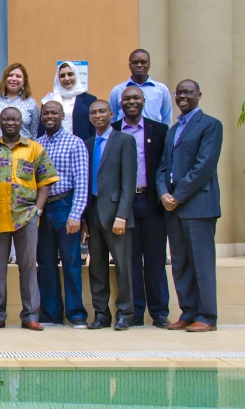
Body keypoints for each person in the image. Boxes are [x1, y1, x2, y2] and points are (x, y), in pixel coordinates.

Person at [0, 107, 58, 331]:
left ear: (21, 121)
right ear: (0, 121)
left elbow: (45, 181)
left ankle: (31, 315)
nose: (10, 123)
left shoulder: (34, 149)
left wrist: (38, 211)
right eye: (6, 119)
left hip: (27, 216)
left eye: (14, 119)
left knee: (28, 267)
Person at [157, 80, 222, 332]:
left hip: (198, 206)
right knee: (181, 262)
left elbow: (204, 166)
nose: (182, 96)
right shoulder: (173, 131)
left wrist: (178, 195)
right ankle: (188, 312)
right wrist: (163, 193)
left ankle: (207, 316)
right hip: (172, 206)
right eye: (179, 93)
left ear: (199, 95)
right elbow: (163, 167)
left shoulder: (210, 125)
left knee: (201, 263)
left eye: (188, 92)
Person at [112, 87, 171, 328]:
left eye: (136, 98)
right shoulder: (113, 130)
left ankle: (159, 312)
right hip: (125, 204)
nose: (131, 102)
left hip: (152, 200)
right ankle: (134, 311)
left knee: (155, 258)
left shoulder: (159, 131)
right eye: (126, 99)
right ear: (120, 103)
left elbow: (165, 166)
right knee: (130, 258)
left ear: (144, 101)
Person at [35, 101, 90, 328]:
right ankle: (50, 314)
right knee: (46, 263)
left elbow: (82, 182)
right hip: (42, 209)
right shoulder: (35, 145)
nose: (49, 116)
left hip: (65, 206)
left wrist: (76, 214)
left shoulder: (75, 143)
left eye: (54, 113)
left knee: (71, 262)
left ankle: (76, 314)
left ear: (62, 115)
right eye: (46, 113)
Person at [84, 100, 137, 331]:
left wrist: (122, 215)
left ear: (111, 114)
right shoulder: (87, 144)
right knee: (96, 267)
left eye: (102, 111)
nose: (98, 115)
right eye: (94, 112)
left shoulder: (125, 140)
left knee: (123, 266)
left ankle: (125, 313)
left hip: (116, 214)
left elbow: (129, 180)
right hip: (93, 212)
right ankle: (101, 314)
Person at [110, 49, 173, 125]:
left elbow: (166, 119)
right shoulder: (117, 90)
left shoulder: (161, 89)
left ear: (149, 65)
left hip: (153, 135)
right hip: (125, 135)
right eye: (135, 62)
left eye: (143, 62)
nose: (139, 65)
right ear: (130, 65)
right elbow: (112, 119)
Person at [37, 61, 97, 141]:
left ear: (76, 75)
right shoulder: (49, 100)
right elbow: (41, 130)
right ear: (58, 79)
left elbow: (94, 129)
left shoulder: (89, 100)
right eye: (62, 76)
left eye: (70, 74)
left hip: (82, 147)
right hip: (53, 147)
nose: (66, 78)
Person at [0, 63, 40, 143]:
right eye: (10, 75)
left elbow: (34, 133)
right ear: (5, 78)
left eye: (18, 76)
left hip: (23, 152)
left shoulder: (31, 103)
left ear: (24, 81)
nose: (13, 79)